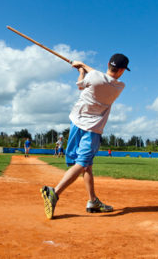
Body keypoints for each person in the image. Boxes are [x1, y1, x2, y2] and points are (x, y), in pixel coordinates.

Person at [40, 53, 129, 219]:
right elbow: (97, 76)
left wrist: (81, 68)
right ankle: (55, 192)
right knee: (83, 163)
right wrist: (83, 66)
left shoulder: (94, 76)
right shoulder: (119, 86)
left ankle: (93, 201)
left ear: (108, 64)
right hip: (92, 129)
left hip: (75, 122)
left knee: (87, 165)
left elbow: (81, 85)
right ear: (122, 70)